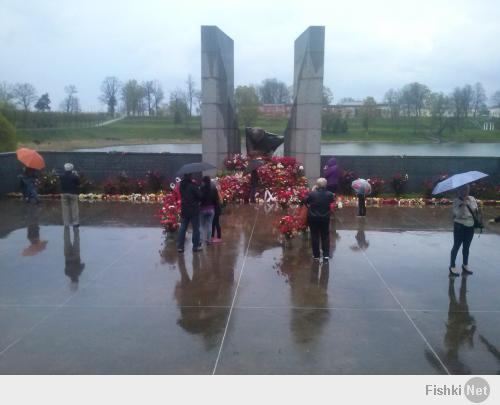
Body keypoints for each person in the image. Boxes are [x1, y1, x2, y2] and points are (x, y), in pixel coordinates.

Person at [449, 184, 478, 277]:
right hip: (459, 226)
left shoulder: (472, 199)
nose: (465, 191)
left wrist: (468, 203)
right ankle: (452, 266)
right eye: (462, 189)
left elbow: (474, 209)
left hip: (470, 226)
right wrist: (463, 205)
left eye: (466, 189)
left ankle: (465, 265)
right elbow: (457, 214)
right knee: (456, 246)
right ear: (459, 191)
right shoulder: (456, 201)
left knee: (466, 247)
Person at [305, 178, 334, 261]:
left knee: (314, 236)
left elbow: (306, 201)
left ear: (317, 185)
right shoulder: (329, 194)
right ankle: (326, 255)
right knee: (325, 236)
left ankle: (316, 255)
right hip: (325, 218)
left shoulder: (312, 194)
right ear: (325, 185)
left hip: (313, 218)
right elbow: (332, 201)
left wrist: (313, 191)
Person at [177, 173, 202, 253]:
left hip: (184, 209)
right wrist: (197, 188)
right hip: (193, 210)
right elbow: (200, 196)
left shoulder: (181, 186)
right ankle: (196, 246)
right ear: (190, 177)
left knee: (183, 228)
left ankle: (180, 247)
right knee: (196, 228)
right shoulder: (193, 185)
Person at [59, 163, 80, 227]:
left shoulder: (61, 176)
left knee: (65, 209)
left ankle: (66, 223)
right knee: (74, 208)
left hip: (64, 193)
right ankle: (75, 223)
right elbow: (78, 183)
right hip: (73, 193)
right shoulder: (74, 176)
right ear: (72, 169)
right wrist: (76, 175)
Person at [199, 175, 217, 246]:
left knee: (201, 226)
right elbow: (216, 199)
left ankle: (200, 241)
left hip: (202, 209)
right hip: (211, 209)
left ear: (203, 181)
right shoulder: (213, 188)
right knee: (209, 225)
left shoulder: (201, 188)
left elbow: (199, 198)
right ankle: (209, 240)